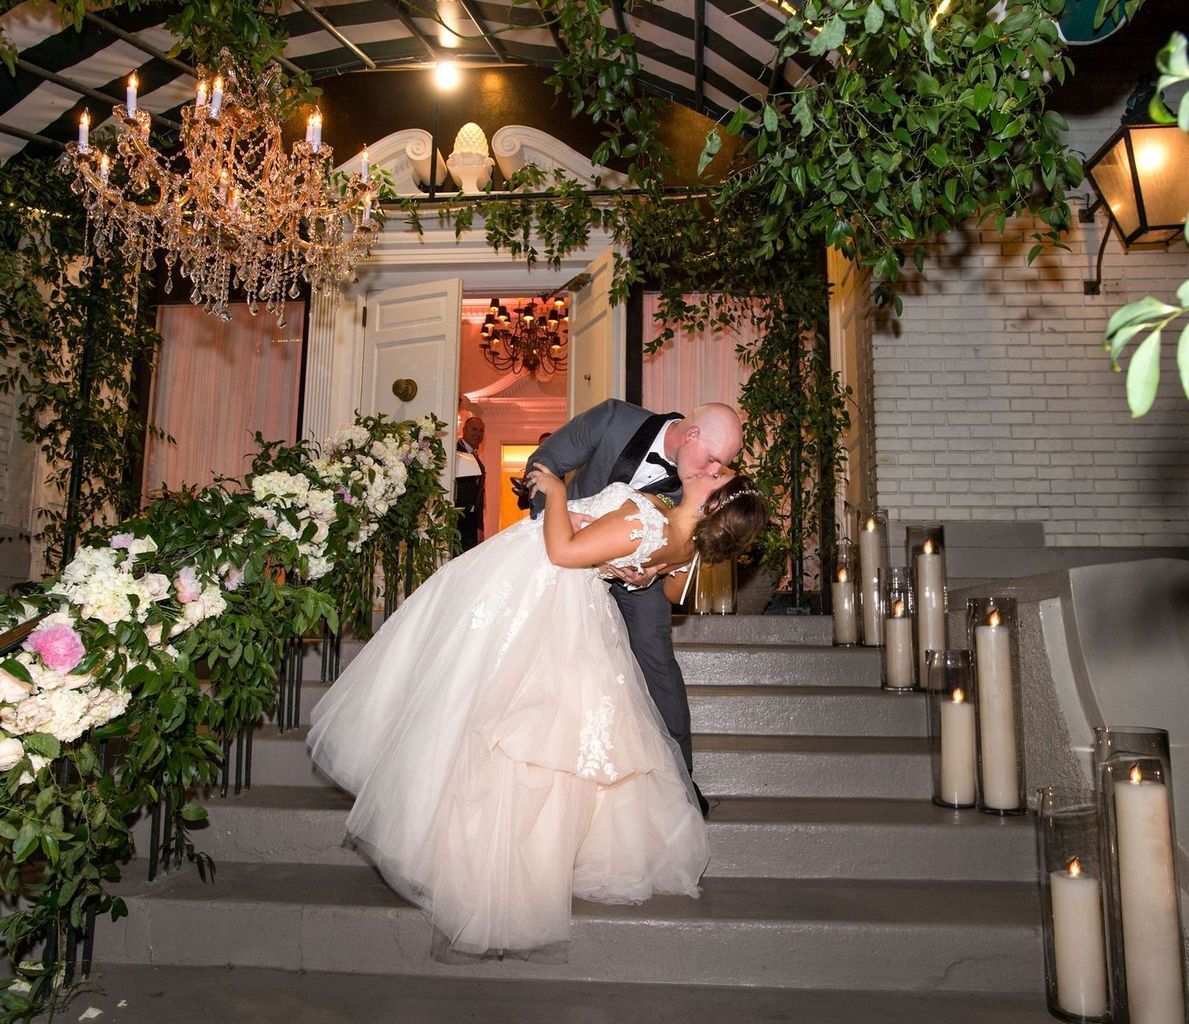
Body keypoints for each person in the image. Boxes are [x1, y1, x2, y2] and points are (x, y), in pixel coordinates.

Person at [307, 459, 764, 957]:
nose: (712, 467)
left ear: (714, 501)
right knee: (532, 723)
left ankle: (474, 859)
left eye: (719, 474)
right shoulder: (679, 537)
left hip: (537, 590)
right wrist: (632, 564)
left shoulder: (651, 521)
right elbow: (667, 584)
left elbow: (563, 552)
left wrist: (556, 493)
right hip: (569, 603)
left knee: (489, 707)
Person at [518, 400, 745, 815]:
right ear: (691, 434)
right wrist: (558, 513)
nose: (715, 471)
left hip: (640, 577)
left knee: (656, 658)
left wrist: (656, 566)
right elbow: (543, 462)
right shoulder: (613, 419)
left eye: (724, 465)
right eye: (713, 459)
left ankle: (679, 782)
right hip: (565, 551)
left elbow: (692, 534)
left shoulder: (701, 480)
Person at [454, 415, 485, 551]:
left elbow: (479, 497)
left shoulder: (478, 460)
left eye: (481, 430)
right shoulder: (454, 451)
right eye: (474, 429)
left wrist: (479, 527)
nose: (478, 434)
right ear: (464, 430)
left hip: (471, 523)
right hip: (456, 518)